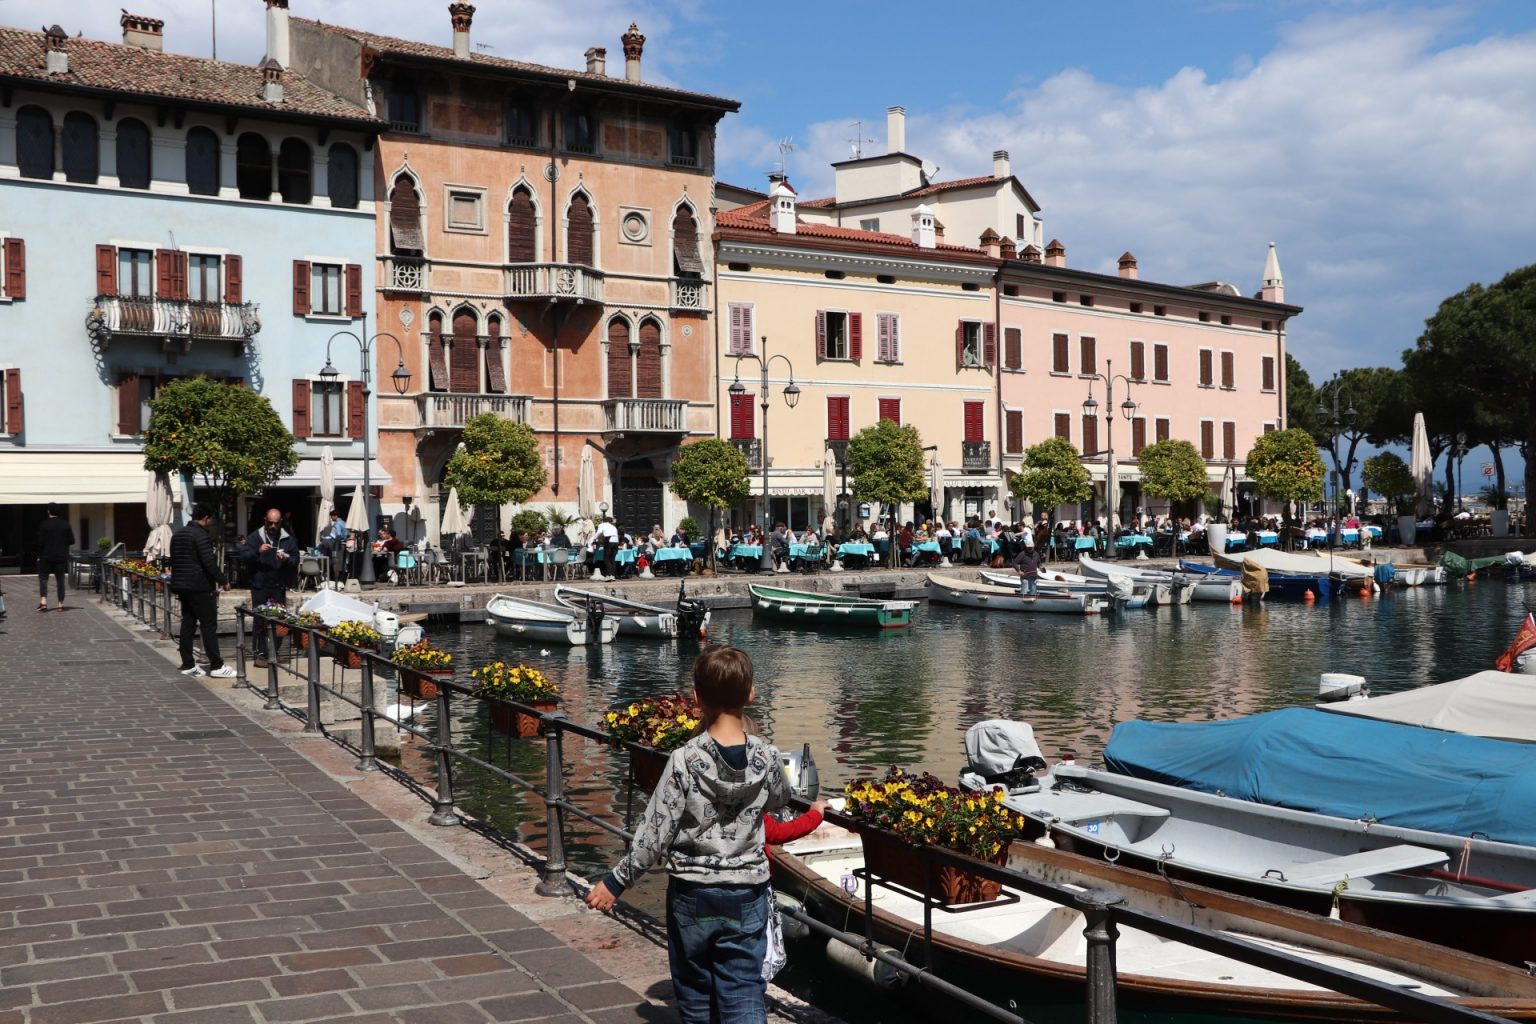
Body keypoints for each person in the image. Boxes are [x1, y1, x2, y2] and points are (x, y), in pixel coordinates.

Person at [585, 646, 790, 1023]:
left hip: (693, 892)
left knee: (696, 990)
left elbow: (655, 833)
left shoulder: (683, 759)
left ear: (696, 697)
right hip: (747, 890)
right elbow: (780, 798)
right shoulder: (768, 756)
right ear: (751, 695)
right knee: (743, 987)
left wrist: (616, 882)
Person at [169, 503, 235, 678]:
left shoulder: (178, 534)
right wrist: (223, 581)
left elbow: (174, 561)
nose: (211, 522)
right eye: (211, 519)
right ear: (206, 518)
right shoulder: (201, 535)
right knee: (208, 625)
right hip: (199, 586)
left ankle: (188, 663)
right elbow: (208, 562)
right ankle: (217, 665)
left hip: (182, 586)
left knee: (187, 624)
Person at [239, 508, 299, 664]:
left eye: (276, 523)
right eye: (270, 523)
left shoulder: (287, 538)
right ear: (265, 520)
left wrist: (286, 559)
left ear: (280, 523)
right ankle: (260, 655)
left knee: (279, 621)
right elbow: (244, 556)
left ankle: (274, 653)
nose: (272, 526)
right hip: (260, 585)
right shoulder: (255, 537)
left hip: (278, 585)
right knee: (260, 621)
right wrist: (257, 551)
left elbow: (296, 559)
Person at [35, 501, 74, 611]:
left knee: (43, 579)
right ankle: (60, 604)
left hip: (45, 556)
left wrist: (38, 555)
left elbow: (40, 542)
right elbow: (72, 540)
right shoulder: (65, 524)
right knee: (60, 581)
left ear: (48, 511)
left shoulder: (44, 524)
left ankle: (43, 602)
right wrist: (62, 542)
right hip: (60, 556)